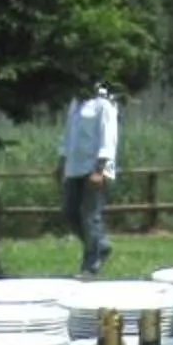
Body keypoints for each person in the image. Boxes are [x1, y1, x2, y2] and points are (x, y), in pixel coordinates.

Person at [58, 84, 121, 277]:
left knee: (90, 216)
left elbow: (108, 138)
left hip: (94, 168)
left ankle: (90, 266)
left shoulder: (104, 104)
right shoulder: (75, 103)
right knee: (69, 213)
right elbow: (68, 136)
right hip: (74, 167)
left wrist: (100, 169)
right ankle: (100, 245)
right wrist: (61, 161)